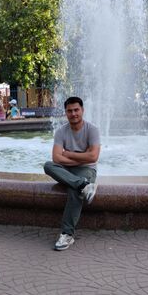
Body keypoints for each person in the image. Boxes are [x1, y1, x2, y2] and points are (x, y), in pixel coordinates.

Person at [44, 96, 101, 251]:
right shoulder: (61, 131)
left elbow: (93, 157)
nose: (73, 114)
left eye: (76, 110)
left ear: (82, 110)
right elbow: (56, 158)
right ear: (66, 113)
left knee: (74, 190)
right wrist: (82, 157)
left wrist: (68, 154)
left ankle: (67, 234)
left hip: (87, 169)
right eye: (70, 111)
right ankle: (84, 185)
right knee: (48, 166)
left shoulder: (92, 130)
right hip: (69, 169)